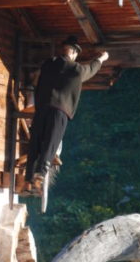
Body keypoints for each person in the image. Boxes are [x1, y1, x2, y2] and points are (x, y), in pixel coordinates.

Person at [24, 35, 109, 194]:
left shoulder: (48, 65)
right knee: (51, 143)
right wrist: (102, 58)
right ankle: (40, 175)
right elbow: (91, 69)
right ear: (74, 52)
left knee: (35, 142)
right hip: (59, 111)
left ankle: (28, 178)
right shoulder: (76, 70)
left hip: (42, 109)